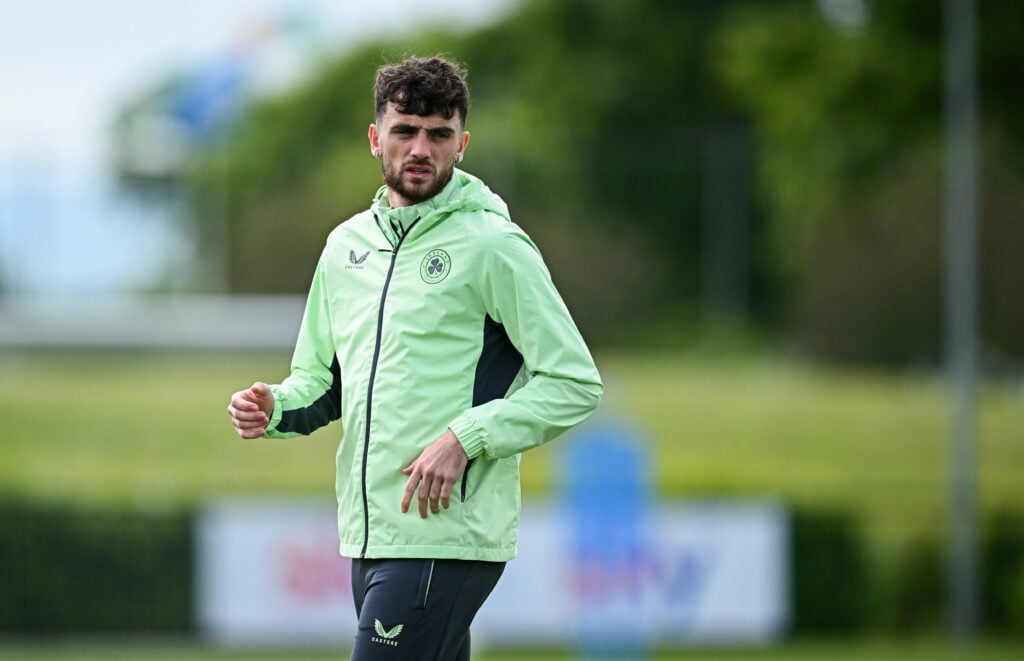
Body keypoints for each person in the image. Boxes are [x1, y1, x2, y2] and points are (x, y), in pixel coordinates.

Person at [227, 56, 602, 660]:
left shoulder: (493, 245)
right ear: (377, 137)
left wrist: (467, 436)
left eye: (439, 133)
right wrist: (273, 406)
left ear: (463, 143)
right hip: (369, 532)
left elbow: (574, 381)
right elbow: (323, 382)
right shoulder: (344, 246)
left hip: (445, 535)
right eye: (405, 130)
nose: (421, 147)